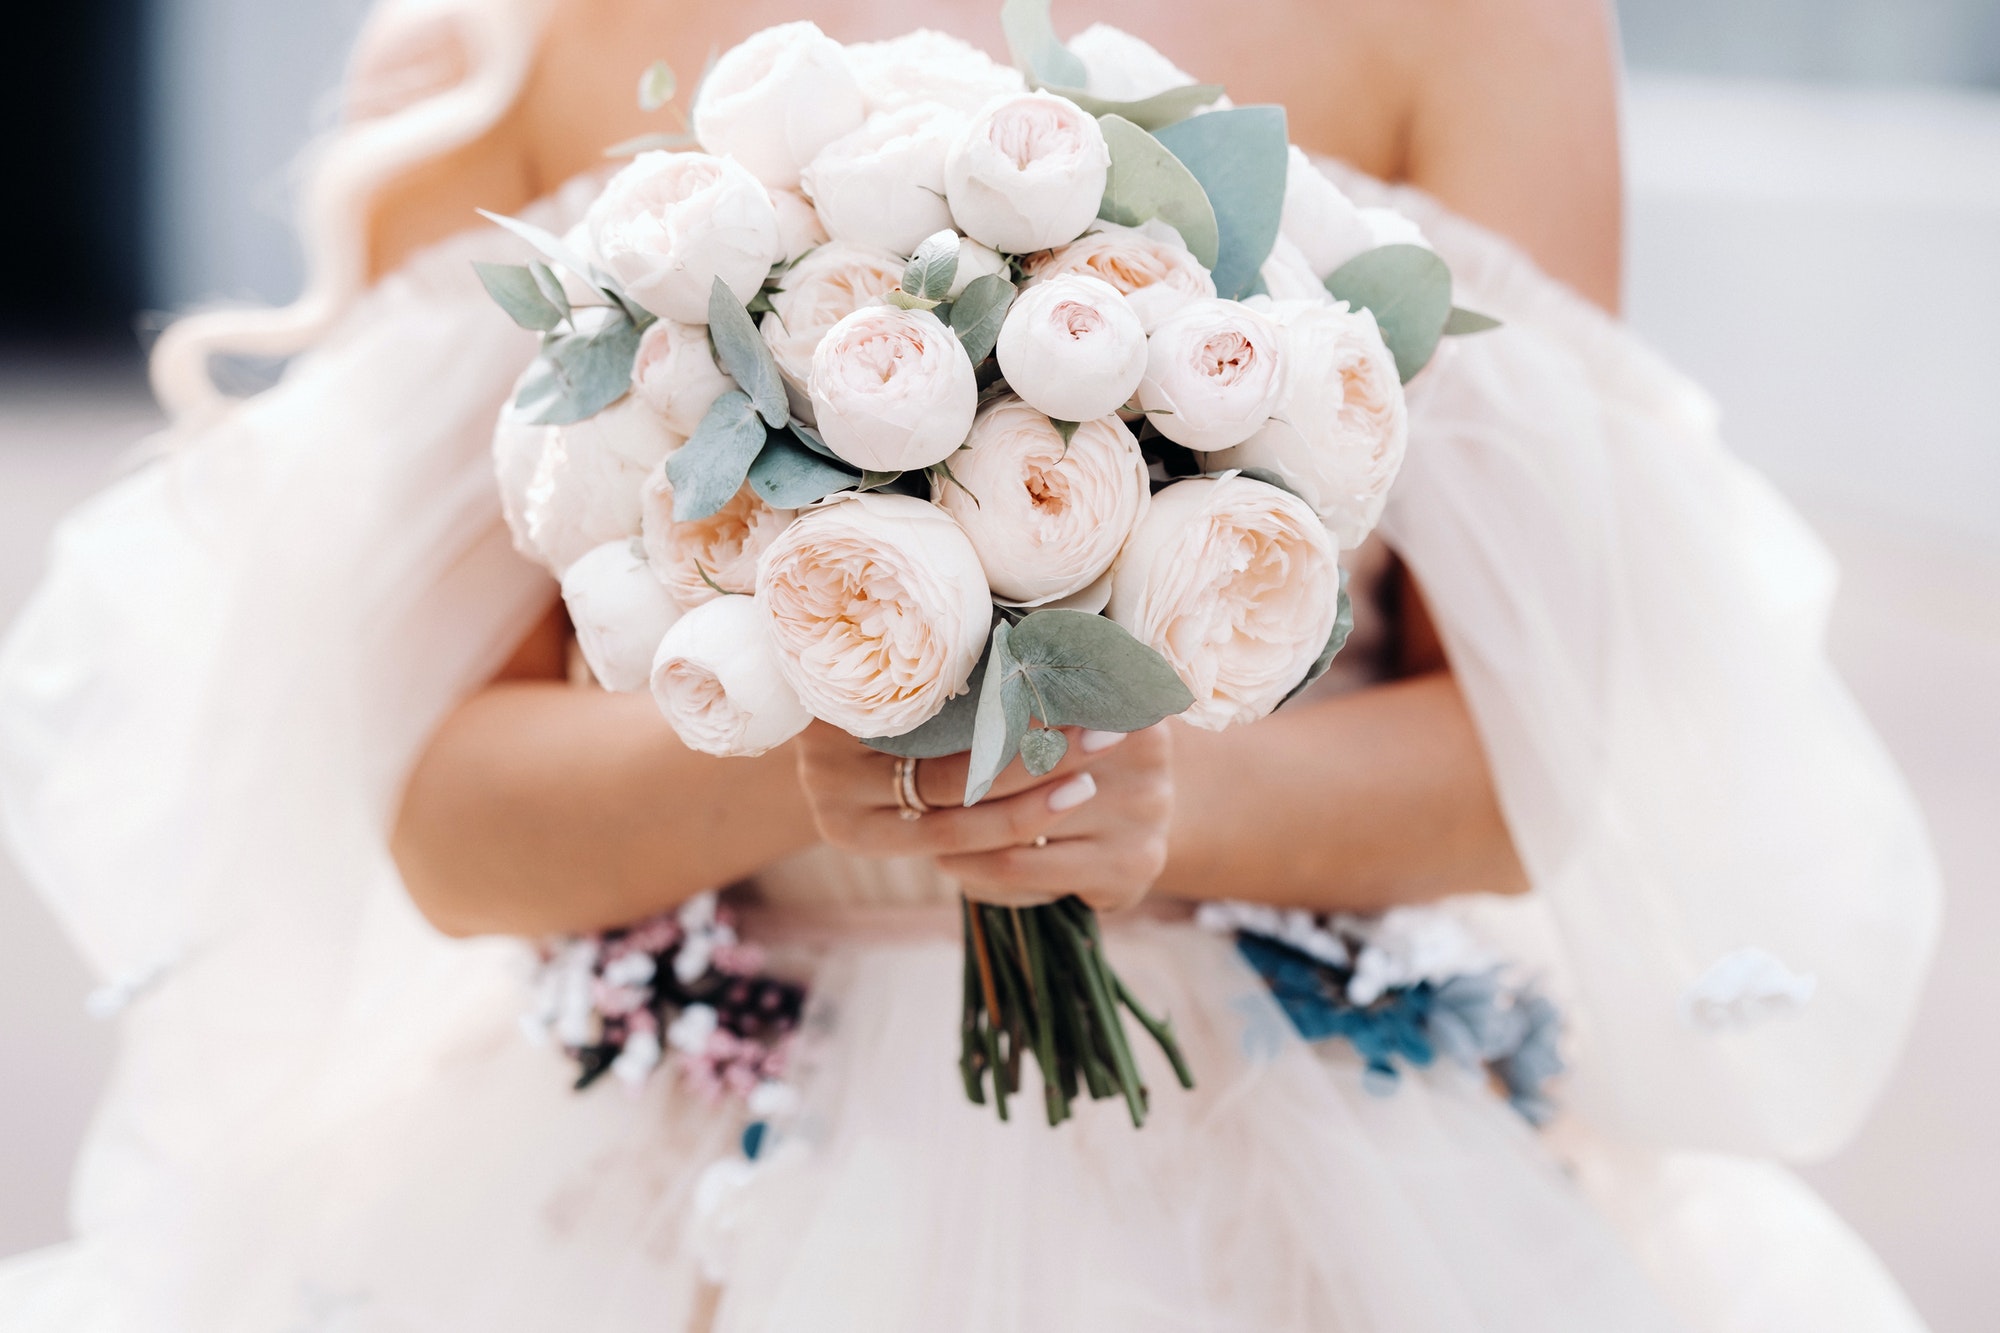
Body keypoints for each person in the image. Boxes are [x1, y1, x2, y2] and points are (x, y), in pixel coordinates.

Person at [0, 0, 1940, 1329]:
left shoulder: (1460, 21)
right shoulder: (529, 33)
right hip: (674, 1166)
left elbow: (1530, 769)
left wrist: (1150, 799)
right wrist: (806, 755)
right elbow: (448, 826)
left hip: (1279, 1147)